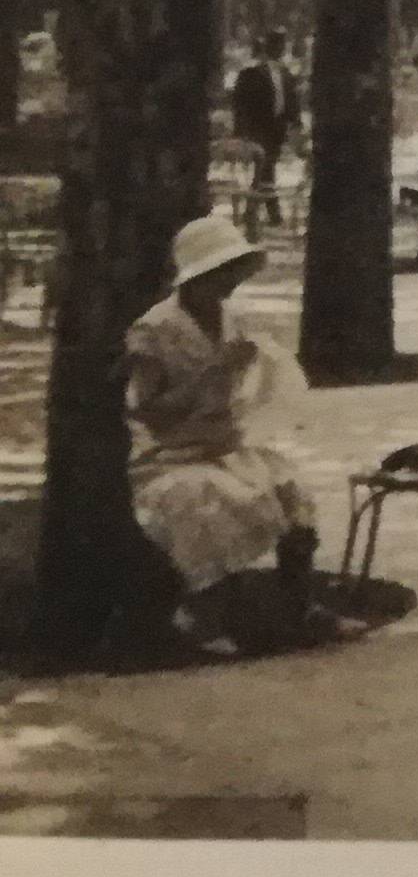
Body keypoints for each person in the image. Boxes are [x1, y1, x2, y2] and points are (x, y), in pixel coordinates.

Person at [124, 213, 325, 652]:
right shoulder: (155, 329)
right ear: (197, 276)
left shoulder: (229, 319)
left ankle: (300, 605)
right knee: (205, 498)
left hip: (220, 441)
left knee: (290, 488)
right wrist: (214, 374)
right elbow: (146, 409)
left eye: (232, 272)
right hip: (166, 451)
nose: (228, 284)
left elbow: (243, 391)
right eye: (220, 274)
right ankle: (203, 615)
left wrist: (257, 370)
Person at [229, 30, 300, 227]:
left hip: (277, 129)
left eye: (281, 46)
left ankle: (252, 210)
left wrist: (295, 124)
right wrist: (240, 130)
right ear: (268, 47)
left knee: (266, 169)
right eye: (276, 45)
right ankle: (271, 213)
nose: (279, 49)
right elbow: (240, 102)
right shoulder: (252, 72)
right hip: (257, 128)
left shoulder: (286, 73)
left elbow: (290, 101)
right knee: (265, 166)